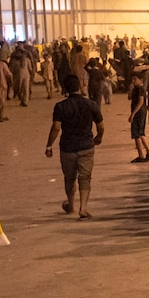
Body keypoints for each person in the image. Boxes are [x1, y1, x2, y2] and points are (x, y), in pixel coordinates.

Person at [44, 73, 103, 221]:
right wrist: (98, 137)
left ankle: (71, 204)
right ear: (80, 86)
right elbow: (100, 126)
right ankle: (83, 208)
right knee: (85, 177)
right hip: (86, 146)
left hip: (67, 148)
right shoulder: (91, 104)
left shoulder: (60, 106)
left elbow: (56, 127)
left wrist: (49, 145)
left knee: (69, 178)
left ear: (65, 88)